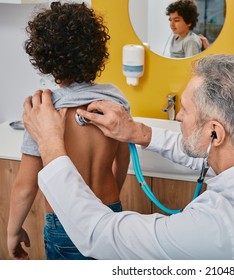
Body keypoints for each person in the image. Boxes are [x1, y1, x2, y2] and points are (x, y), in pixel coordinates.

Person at [23, 54, 234, 259]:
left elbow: (97, 234)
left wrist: (50, 142)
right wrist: (138, 132)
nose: (179, 118)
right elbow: (206, 154)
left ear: (214, 132)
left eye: (185, 110)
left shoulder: (216, 230)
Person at [7, 2, 130, 260]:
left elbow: (25, 186)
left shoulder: (44, 111)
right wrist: (109, 200)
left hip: (65, 225)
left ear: (44, 57)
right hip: (110, 213)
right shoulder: (115, 103)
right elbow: (123, 160)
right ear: (96, 51)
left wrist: (12, 232)